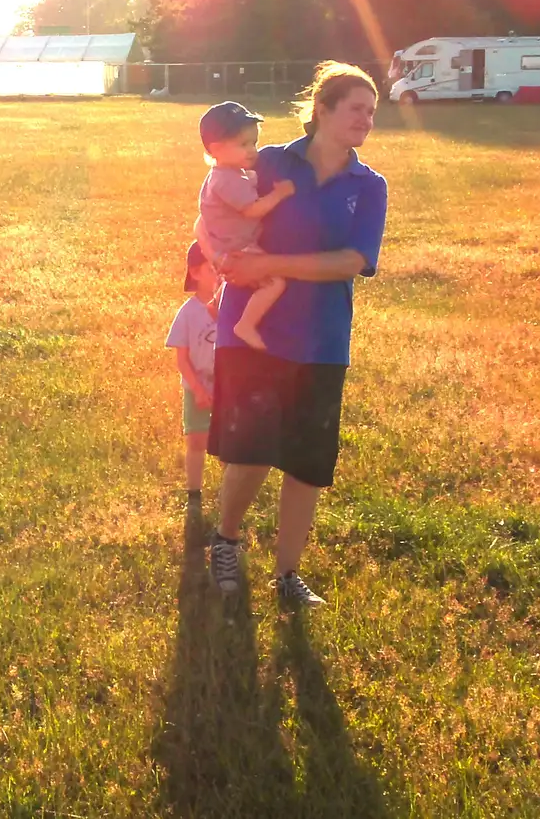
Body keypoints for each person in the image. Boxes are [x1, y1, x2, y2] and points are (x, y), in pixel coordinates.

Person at [207, 62, 387, 609]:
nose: (366, 120)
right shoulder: (269, 162)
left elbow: (353, 260)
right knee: (253, 450)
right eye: (355, 108)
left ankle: (288, 575)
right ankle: (225, 542)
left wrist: (276, 263)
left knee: (307, 461)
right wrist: (220, 257)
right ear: (322, 111)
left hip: (322, 339)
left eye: (372, 113)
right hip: (254, 331)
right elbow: (214, 202)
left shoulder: (369, 185)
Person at [194, 101, 295, 350]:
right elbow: (253, 210)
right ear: (216, 149)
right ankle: (246, 324)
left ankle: (217, 300)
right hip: (239, 248)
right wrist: (280, 195)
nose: (252, 151)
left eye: (254, 143)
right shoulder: (227, 181)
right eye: (243, 144)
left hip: (228, 244)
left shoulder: (226, 175)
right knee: (275, 283)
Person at [166, 241, 220, 504]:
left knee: (226, 445)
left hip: (227, 389)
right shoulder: (187, 313)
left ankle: (229, 492)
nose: (219, 276)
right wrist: (198, 389)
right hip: (196, 388)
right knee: (197, 441)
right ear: (196, 272)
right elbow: (182, 359)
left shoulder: (229, 310)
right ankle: (194, 493)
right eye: (213, 269)